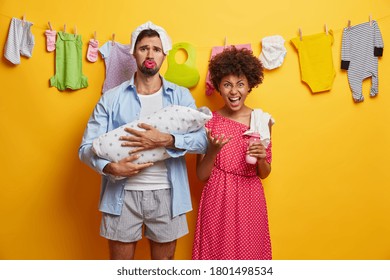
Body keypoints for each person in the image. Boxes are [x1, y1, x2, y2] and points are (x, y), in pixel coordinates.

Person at [78, 21, 207, 260]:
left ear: (164, 55)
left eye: (156, 49)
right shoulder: (111, 98)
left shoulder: (180, 96)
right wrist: (110, 167)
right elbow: (86, 148)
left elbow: (202, 141)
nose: (150, 54)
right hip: (121, 195)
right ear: (133, 53)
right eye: (144, 48)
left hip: (168, 195)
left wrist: (167, 139)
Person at [192, 47, 273, 260]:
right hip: (217, 197)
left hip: (250, 197)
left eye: (240, 84)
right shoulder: (209, 121)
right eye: (227, 84)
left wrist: (262, 158)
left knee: (250, 256)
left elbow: (264, 173)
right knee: (217, 255)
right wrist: (213, 151)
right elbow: (201, 175)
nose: (234, 91)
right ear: (218, 86)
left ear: (249, 86)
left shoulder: (261, 120)